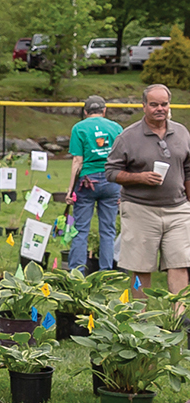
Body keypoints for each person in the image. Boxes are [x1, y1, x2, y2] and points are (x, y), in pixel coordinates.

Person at [106, 83, 190, 294]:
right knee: (141, 268)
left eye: (164, 104)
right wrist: (139, 178)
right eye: (154, 104)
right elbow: (111, 172)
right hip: (140, 210)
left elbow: (188, 169)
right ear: (144, 106)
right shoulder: (128, 137)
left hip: (178, 210)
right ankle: (140, 319)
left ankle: (178, 318)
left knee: (180, 264)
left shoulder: (181, 133)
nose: (160, 108)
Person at [66, 94, 123, 273]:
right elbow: (123, 159)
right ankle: (105, 273)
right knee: (108, 230)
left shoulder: (79, 128)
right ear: (104, 111)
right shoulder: (117, 128)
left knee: (81, 230)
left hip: (87, 182)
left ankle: (77, 273)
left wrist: (70, 190)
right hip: (112, 180)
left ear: (85, 112)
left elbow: (77, 160)